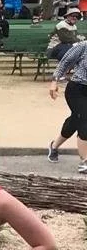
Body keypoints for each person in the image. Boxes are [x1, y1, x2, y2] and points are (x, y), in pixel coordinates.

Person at [48, 39, 87, 173]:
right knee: (84, 120)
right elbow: (64, 62)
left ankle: (54, 146)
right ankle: (84, 161)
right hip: (77, 89)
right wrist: (54, 81)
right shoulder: (83, 46)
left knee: (76, 120)